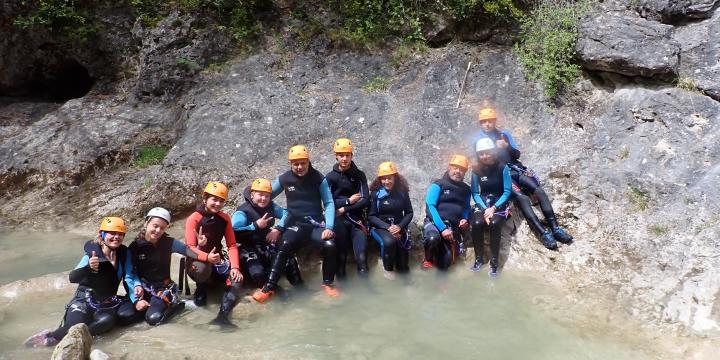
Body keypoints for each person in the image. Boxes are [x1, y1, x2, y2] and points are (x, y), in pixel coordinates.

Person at [24, 217, 137, 347]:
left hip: (106, 301)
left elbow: (128, 277)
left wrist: (135, 299)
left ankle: (82, 337)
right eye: (112, 233)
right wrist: (89, 267)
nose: (116, 237)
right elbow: (73, 278)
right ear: (102, 234)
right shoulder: (92, 254)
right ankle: (51, 335)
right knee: (73, 326)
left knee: (107, 321)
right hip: (84, 299)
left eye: (120, 234)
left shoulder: (124, 253)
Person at [473, 107, 573, 250]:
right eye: (484, 122)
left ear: (495, 121)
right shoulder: (478, 141)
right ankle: (543, 233)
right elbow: (480, 162)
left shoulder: (503, 135)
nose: (487, 124)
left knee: (538, 191)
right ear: (480, 124)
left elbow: (516, 155)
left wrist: (506, 147)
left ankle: (556, 228)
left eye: (490, 121)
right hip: (503, 174)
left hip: (516, 169)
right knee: (522, 198)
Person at [252, 145, 338, 303]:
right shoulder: (285, 179)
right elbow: (266, 196)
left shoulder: (318, 178)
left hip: (315, 225)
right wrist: (277, 220)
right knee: (283, 243)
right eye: (295, 164)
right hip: (295, 224)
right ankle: (269, 288)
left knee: (330, 245)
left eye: (302, 163)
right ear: (291, 164)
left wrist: (329, 227)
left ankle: (327, 284)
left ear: (308, 161)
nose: (299, 167)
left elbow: (329, 203)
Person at [184, 182, 243, 327]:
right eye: (214, 199)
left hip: (216, 261)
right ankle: (201, 287)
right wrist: (206, 256)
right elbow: (189, 248)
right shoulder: (194, 218)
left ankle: (222, 316)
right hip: (196, 263)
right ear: (205, 198)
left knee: (237, 279)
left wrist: (235, 267)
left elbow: (232, 245)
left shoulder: (224, 218)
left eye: (221, 201)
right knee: (203, 268)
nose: (218, 204)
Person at [130, 207, 199, 326]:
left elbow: (191, 252)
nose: (158, 230)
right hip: (142, 288)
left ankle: (178, 306)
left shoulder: (169, 242)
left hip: (163, 288)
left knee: (153, 319)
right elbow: (130, 272)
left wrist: (200, 246)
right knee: (127, 317)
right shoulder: (134, 247)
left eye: (162, 228)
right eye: (155, 226)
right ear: (146, 222)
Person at [232, 178, 304, 290]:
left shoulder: (271, 206)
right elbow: (234, 230)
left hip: (264, 244)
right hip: (247, 247)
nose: (263, 199)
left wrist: (277, 229)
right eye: (260, 195)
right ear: (252, 195)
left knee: (288, 259)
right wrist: (255, 225)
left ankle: (300, 288)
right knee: (258, 274)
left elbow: (287, 214)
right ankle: (274, 291)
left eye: (267, 196)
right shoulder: (243, 211)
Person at [325, 138, 370, 277]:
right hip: (339, 222)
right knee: (341, 258)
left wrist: (345, 208)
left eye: (347, 155)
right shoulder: (330, 177)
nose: (344, 159)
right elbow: (327, 201)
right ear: (336, 156)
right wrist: (347, 201)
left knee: (362, 259)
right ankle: (343, 293)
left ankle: (367, 292)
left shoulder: (359, 175)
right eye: (341, 155)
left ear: (352, 156)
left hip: (356, 220)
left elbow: (365, 200)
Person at [421, 155, 472, 271]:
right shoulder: (438, 184)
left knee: (446, 262)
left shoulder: (466, 189)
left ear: (465, 172)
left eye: (462, 169)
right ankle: (428, 259)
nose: (458, 171)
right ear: (449, 167)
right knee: (433, 238)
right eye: (455, 168)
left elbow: (466, 207)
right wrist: (442, 228)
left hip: (452, 227)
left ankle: (441, 283)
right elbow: (430, 206)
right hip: (434, 224)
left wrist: (465, 218)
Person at [470, 138, 512, 277]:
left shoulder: (502, 167)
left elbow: (507, 191)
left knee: (494, 223)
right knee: (476, 223)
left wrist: (493, 208)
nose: (484, 156)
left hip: (499, 200)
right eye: (481, 154)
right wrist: (484, 209)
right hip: (483, 202)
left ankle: (494, 262)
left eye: (487, 153)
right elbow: (475, 193)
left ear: (493, 152)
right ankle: (479, 258)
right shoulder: (476, 170)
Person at [368, 162, 413, 277]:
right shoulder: (375, 193)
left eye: (389, 178)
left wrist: (399, 227)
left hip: (398, 226)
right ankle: (388, 270)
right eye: (383, 179)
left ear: (395, 177)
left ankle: (407, 284)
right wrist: (389, 228)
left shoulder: (402, 191)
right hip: (379, 227)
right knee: (389, 242)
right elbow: (371, 216)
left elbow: (409, 212)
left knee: (403, 264)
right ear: (380, 179)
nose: (386, 182)